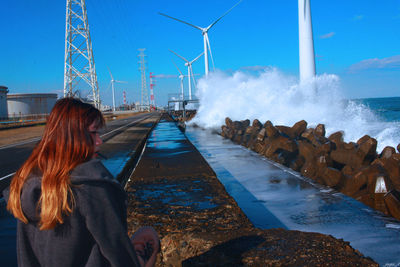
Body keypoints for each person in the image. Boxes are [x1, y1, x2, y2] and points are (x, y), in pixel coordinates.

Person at [4, 98, 160, 267]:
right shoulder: (90, 187)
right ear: (73, 136)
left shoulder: (25, 183)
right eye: (94, 133)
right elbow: (119, 254)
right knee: (148, 233)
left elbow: (25, 254)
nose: (100, 141)